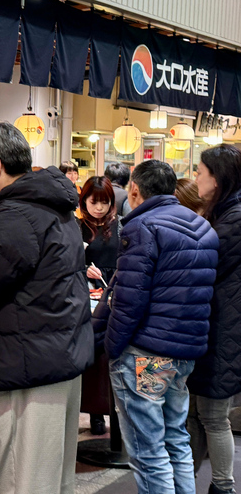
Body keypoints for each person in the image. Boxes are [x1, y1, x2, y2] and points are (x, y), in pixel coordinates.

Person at [0, 122, 93, 494]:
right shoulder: (48, 204)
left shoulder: (16, 214)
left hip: (24, 365)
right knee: (51, 480)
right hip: (53, 356)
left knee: (20, 480)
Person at [104, 160, 218, 494]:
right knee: (176, 440)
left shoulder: (143, 226)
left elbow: (129, 299)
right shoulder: (203, 227)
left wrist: (112, 347)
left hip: (147, 353)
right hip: (184, 352)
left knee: (149, 450)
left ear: (135, 190)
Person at [187, 145, 241, 494]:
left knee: (213, 417)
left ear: (217, 178)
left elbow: (203, 267)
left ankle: (223, 486)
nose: (195, 178)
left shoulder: (233, 220)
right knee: (198, 414)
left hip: (224, 332)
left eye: (200, 172)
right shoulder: (226, 213)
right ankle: (185, 481)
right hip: (216, 329)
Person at [77, 176, 120, 436]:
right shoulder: (76, 226)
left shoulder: (120, 225)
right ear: (84, 201)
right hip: (87, 293)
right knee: (92, 352)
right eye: (94, 202)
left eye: (105, 202)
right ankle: (95, 412)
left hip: (114, 290)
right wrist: (83, 268)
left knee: (111, 353)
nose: (99, 208)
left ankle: (113, 410)